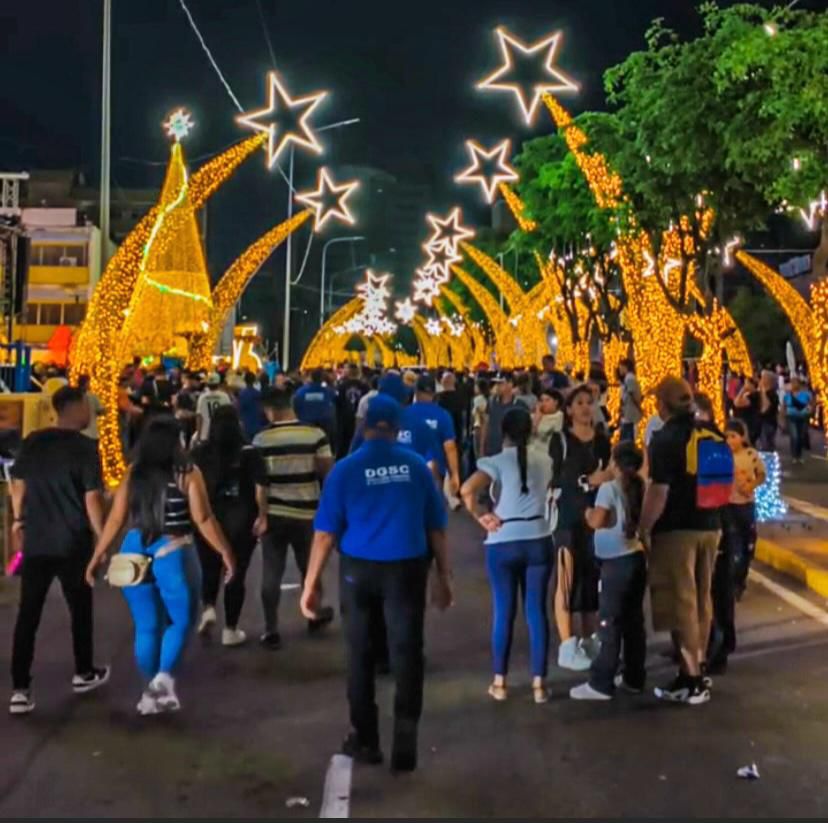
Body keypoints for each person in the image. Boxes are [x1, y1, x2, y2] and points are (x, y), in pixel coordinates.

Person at [301, 395, 453, 773]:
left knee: (360, 654)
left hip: (359, 569)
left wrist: (311, 584)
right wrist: (443, 577)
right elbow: (436, 528)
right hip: (407, 567)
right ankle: (405, 741)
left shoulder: (345, 469)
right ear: (397, 426)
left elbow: (324, 534)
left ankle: (366, 738)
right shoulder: (416, 467)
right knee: (407, 651)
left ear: (364, 425)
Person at [85, 416, 234, 715]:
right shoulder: (187, 473)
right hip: (174, 551)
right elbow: (204, 518)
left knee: (147, 626)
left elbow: (116, 519)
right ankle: (164, 679)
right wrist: (225, 552)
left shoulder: (134, 473)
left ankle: (148, 694)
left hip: (133, 550)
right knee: (181, 621)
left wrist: (97, 556)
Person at [9, 387, 109, 715]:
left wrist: (19, 519)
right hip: (73, 541)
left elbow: (18, 483)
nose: (89, 412)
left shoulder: (34, 441)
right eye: (86, 406)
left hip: (37, 539)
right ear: (74, 407)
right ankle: (84, 671)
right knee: (80, 607)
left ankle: (20, 689)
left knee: (28, 613)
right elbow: (92, 498)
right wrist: (102, 539)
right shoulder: (85, 448)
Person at [461, 407, 553, 704]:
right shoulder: (545, 460)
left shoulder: (496, 462)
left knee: (504, 611)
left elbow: (467, 490)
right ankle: (539, 684)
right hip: (538, 536)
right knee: (536, 612)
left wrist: (481, 516)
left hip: (503, 539)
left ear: (504, 433)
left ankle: (500, 682)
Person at [639, 377, 722, 705]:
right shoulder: (711, 433)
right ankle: (699, 666)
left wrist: (644, 527)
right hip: (711, 525)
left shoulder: (665, 439)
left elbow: (659, 491)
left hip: (676, 531)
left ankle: (691, 679)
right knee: (702, 599)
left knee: (681, 603)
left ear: (663, 404)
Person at [253, 386, 335, 650]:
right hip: (308, 513)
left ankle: (271, 629)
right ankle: (313, 614)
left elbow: (260, 484)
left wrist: (261, 514)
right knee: (310, 569)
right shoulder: (315, 435)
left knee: (271, 571)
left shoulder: (261, 440)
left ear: (270, 410)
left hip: (274, 514)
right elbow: (327, 473)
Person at [570, 441, 647, 701]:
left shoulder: (609, 488)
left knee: (609, 622)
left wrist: (587, 511)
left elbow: (598, 521)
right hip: (636, 556)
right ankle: (634, 677)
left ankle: (601, 683)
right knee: (633, 622)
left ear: (614, 463)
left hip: (615, 563)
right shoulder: (638, 486)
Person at [192, 406, 268, 645]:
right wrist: (262, 515)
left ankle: (208, 608)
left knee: (209, 566)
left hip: (208, 517)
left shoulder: (199, 452)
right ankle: (230, 629)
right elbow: (260, 488)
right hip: (242, 518)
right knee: (236, 572)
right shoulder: (250, 452)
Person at [550, 385, 612, 671]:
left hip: (595, 518)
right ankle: (567, 644)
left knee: (591, 581)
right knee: (566, 580)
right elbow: (558, 479)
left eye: (590, 402)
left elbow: (609, 474)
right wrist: (589, 481)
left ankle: (589, 641)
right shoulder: (560, 441)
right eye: (580, 403)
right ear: (569, 410)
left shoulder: (602, 441)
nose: (586, 407)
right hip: (568, 518)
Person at [708, 419, 766, 673]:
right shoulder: (720, 456)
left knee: (747, 547)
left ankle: (739, 579)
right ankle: (734, 580)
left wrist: (751, 485)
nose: (730, 440)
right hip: (727, 508)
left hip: (745, 507)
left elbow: (761, 474)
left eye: (734, 436)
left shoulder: (751, 455)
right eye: (727, 436)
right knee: (734, 550)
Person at [405, 375, 461, 499]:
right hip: (434, 473)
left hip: (407, 472)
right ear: (434, 393)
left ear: (416, 391)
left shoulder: (403, 414)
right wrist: (455, 474)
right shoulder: (443, 415)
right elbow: (450, 447)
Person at [481, 374, 527, 456]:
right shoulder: (491, 402)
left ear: (510, 384)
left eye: (501, 384)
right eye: (497, 384)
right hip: (491, 449)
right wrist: (482, 448)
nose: (497, 387)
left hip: (511, 452)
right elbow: (485, 424)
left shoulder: (520, 405)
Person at [293, 368, 338, 446]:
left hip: (306, 427)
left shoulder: (300, 392)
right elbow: (336, 402)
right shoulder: (329, 391)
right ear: (322, 378)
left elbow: (296, 407)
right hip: (325, 428)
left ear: (311, 377)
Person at [337, 365, 368, 458]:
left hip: (345, 419)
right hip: (361, 418)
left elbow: (338, 403)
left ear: (348, 373)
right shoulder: (364, 386)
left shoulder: (341, 386)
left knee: (344, 443)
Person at [196, 373, 232, 442]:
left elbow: (199, 417)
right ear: (218, 383)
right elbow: (229, 415)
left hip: (205, 434)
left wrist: (198, 435)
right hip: (221, 433)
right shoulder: (224, 396)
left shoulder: (202, 397)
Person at [784, 376, 812, 464]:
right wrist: (782, 418)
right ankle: (794, 456)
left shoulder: (805, 394)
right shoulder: (787, 395)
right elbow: (784, 406)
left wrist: (810, 411)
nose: (794, 384)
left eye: (795, 382)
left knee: (801, 437)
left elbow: (811, 404)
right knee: (795, 437)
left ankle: (799, 456)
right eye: (792, 383)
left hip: (803, 417)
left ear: (799, 384)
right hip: (791, 417)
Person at [618, 359, 643, 442]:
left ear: (626, 367)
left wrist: (639, 407)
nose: (619, 369)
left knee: (627, 436)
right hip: (628, 412)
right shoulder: (628, 378)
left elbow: (632, 394)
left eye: (621, 367)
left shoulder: (629, 378)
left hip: (630, 412)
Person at [238, 371, 266, 442]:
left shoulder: (241, 394)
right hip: (258, 425)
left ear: (245, 380)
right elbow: (262, 409)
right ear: (254, 380)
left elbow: (240, 409)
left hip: (246, 425)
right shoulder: (258, 394)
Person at [733, 376, 761, 447]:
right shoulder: (751, 395)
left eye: (747, 383)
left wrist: (743, 390)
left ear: (752, 385)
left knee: (747, 446)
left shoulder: (753, 396)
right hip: (748, 424)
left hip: (748, 425)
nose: (745, 385)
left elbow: (737, 403)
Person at [77, 375, 105, 442]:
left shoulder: (74, 396)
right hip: (91, 433)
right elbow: (101, 411)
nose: (90, 385)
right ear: (85, 384)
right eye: (89, 383)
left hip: (78, 432)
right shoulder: (92, 396)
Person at [757, 370, 779, 452]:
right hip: (762, 422)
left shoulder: (772, 394)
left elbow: (765, 408)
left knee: (766, 447)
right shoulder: (762, 392)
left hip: (768, 423)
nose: (761, 380)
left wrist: (762, 390)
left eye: (763, 378)